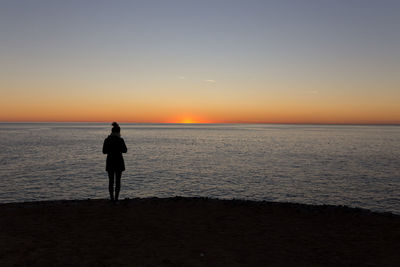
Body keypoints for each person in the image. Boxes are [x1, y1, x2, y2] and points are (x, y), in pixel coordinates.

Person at [103, 122, 127, 202]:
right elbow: (125, 150)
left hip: (110, 162)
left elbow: (104, 151)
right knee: (118, 181)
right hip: (119, 162)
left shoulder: (107, 140)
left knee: (111, 181)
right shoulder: (120, 140)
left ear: (112, 131)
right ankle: (116, 199)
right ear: (118, 132)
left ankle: (111, 199)